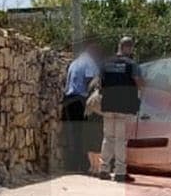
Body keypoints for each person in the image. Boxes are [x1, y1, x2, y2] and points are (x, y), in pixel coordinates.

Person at [94, 36, 144, 181]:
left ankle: (103, 169)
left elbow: (99, 84)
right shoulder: (132, 64)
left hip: (108, 105)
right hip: (124, 106)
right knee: (121, 140)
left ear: (118, 46)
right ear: (128, 48)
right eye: (131, 47)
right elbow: (139, 83)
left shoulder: (105, 63)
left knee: (108, 137)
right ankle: (120, 173)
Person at [60, 42, 101, 173]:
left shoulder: (74, 63)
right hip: (80, 100)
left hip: (68, 100)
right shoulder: (89, 63)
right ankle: (82, 166)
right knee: (83, 134)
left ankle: (71, 165)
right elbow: (90, 83)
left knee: (71, 133)